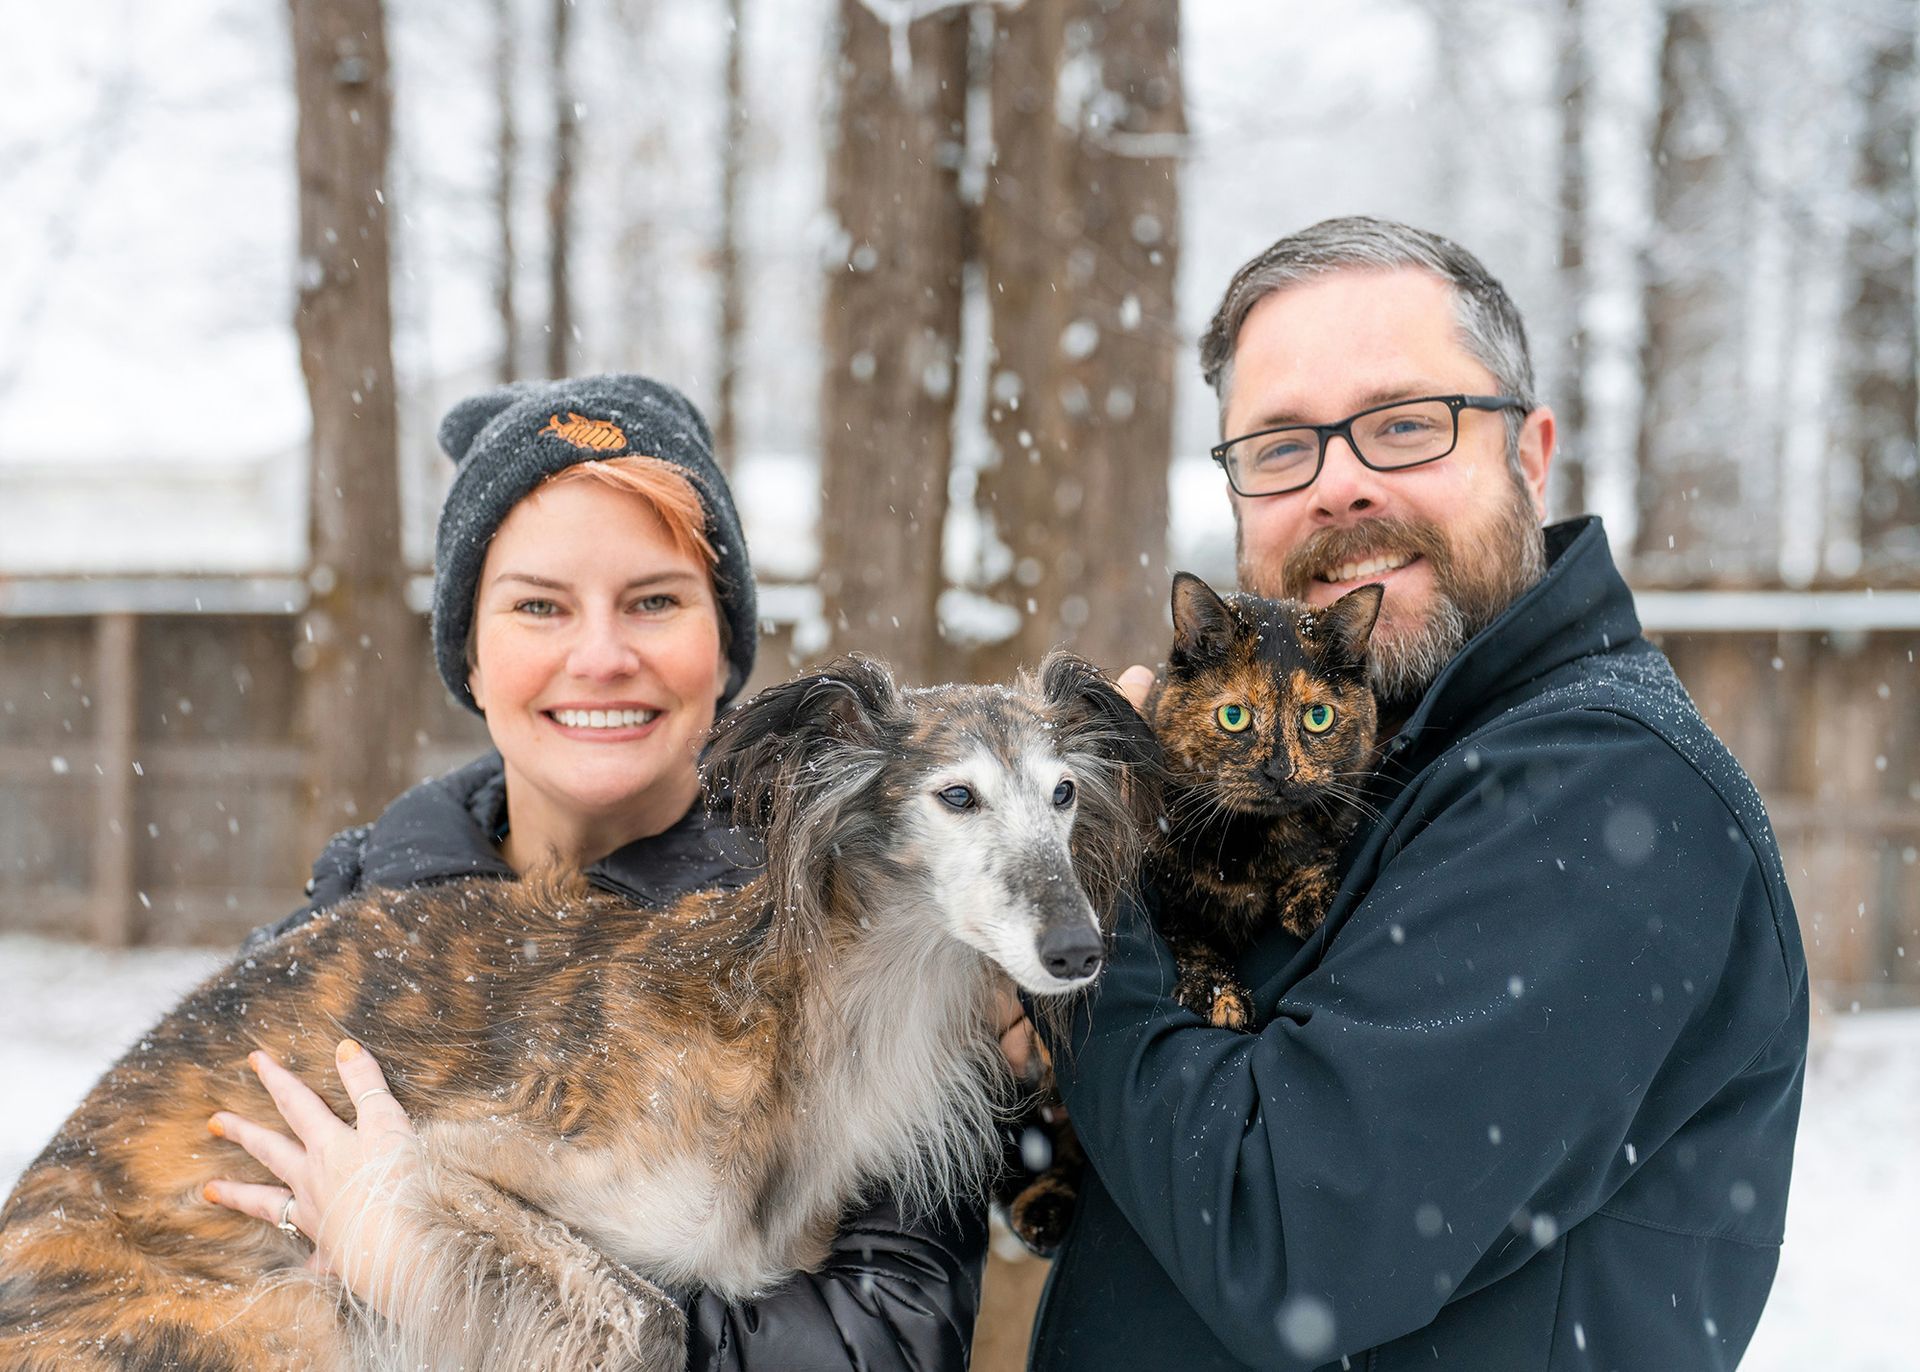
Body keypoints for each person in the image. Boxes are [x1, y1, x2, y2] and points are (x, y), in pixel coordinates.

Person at [1026, 218, 1808, 1369]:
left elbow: (1294, 1231)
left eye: (1403, 424)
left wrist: (1082, 928)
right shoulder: (1383, 770)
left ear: (1529, 455)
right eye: (1282, 447)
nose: (1341, 486)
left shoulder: (1601, 787)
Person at [203, 373, 986, 1370]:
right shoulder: (334, 938)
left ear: (723, 649)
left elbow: (890, 1346)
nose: (602, 656)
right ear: (473, 658)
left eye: (654, 601)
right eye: (540, 606)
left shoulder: (867, 944)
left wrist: (445, 1282)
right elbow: (192, 1263)